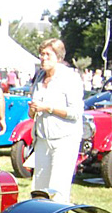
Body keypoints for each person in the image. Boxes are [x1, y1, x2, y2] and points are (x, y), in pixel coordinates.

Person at [28, 38, 84, 203]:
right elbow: (33, 114)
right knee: (39, 189)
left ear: (58, 57)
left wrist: (48, 107)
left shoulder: (70, 78)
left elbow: (75, 112)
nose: (43, 58)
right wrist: (33, 110)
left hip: (64, 140)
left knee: (57, 189)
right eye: (41, 54)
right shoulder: (39, 78)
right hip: (42, 140)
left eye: (47, 54)